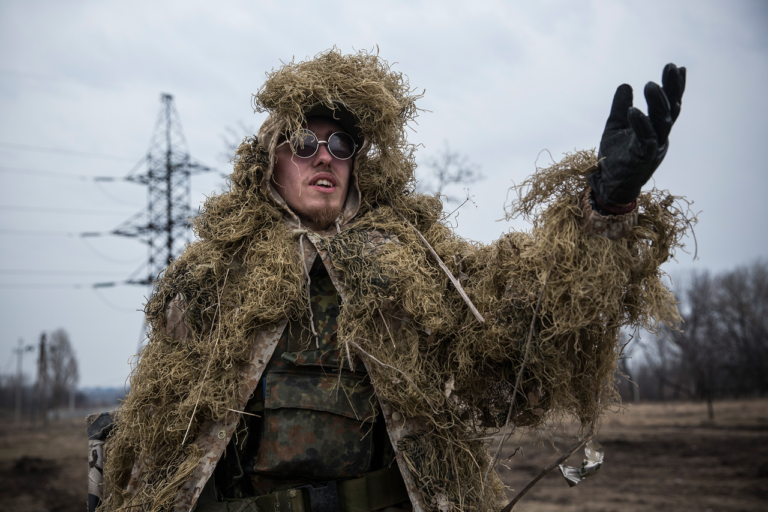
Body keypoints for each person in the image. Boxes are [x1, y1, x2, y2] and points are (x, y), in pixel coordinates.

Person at [87, 49, 688, 512]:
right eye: (304, 141)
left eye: (341, 144)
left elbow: (524, 315)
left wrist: (608, 206)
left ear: (357, 162)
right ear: (270, 156)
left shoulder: (413, 258)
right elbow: (157, 435)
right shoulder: (213, 274)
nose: (324, 156)